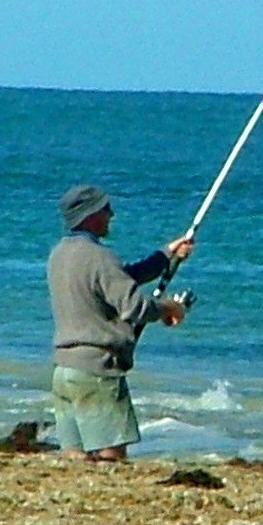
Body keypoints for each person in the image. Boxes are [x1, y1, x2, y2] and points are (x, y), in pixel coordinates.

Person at [47, 183, 194, 461]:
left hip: (65, 371)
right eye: (105, 209)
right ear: (90, 216)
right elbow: (134, 307)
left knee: (74, 463)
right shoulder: (100, 256)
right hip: (97, 371)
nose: (111, 214)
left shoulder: (59, 255)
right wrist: (169, 308)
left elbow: (119, 278)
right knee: (111, 460)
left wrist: (166, 256)